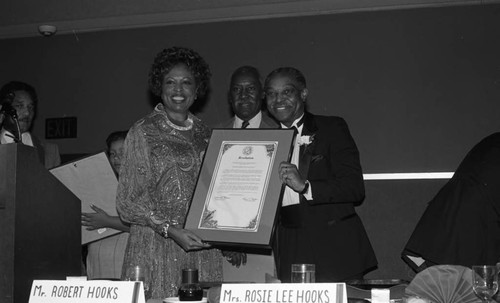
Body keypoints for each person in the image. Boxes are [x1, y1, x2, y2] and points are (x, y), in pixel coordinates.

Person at [116, 47, 223, 299]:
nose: (178, 89)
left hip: (201, 246)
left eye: (186, 83)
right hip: (155, 247)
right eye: (170, 82)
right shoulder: (142, 131)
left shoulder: (208, 135)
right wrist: (170, 230)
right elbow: (127, 203)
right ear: (159, 87)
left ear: (197, 91)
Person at [264, 67, 377, 282]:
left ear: (303, 94)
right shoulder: (264, 141)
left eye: (287, 92)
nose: (278, 99)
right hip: (289, 245)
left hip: (334, 247)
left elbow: (354, 188)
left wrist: (306, 186)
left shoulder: (331, 128)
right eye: (271, 93)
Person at [217, 65, 280, 282]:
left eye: (250, 89)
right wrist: (228, 241)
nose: (243, 95)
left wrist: (243, 240)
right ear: (229, 96)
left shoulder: (281, 134)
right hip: (220, 249)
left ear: (262, 95)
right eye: (237, 89)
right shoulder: (213, 136)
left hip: (267, 245)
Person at [403, 133, 500, 271]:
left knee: (448, 285)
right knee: (463, 286)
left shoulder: (493, 140)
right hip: (472, 228)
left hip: (445, 222)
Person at [81, 130, 130, 280]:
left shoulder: (144, 187)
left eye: (123, 152)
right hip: (96, 258)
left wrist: (106, 221)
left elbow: (145, 227)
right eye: (113, 154)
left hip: (123, 260)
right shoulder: (97, 184)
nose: (117, 158)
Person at [0, 81, 60, 169]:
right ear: (3, 109)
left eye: (30, 107)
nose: (27, 113)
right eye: (19, 106)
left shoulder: (50, 151)